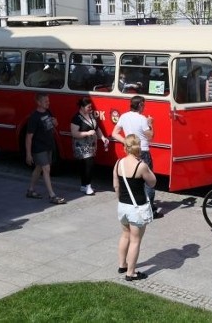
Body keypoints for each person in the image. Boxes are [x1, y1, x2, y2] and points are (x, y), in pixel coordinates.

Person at [113, 134, 157, 281]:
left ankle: (122, 264)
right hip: (136, 208)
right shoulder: (141, 165)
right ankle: (131, 273)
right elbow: (152, 183)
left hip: (123, 205)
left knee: (125, 235)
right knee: (135, 240)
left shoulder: (118, 163)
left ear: (125, 147)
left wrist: (120, 199)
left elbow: (116, 186)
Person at [111, 95, 163, 219]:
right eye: (144, 105)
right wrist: (150, 124)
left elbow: (114, 133)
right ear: (140, 105)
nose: (144, 107)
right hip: (143, 150)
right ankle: (150, 209)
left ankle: (141, 203)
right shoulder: (142, 119)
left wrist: (126, 142)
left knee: (134, 178)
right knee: (148, 181)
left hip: (130, 151)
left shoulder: (124, 116)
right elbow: (150, 136)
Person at [25, 93, 66, 204]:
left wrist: (55, 122)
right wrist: (28, 154)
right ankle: (52, 195)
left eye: (48, 101)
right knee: (46, 169)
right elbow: (29, 136)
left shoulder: (48, 112)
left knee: (39, 168)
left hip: (49, 145)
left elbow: (55, 124)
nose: (48, 103)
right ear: (39, 102)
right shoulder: (34, 117)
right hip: (39, 147)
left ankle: (31, 190)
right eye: (45, 101)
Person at [70, 97, 110, 196]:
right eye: (88, 107)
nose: (90, 108)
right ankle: (87, 185)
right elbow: (74, 133)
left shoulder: (91, 116)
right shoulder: (76, 118)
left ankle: (84, 185)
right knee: (88, 165)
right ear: (82, 107)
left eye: (91, 107)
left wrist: (103, 138)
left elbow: (97, 128)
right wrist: (87, 133)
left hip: (91, 146)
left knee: (86, 165)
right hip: (81, 146)